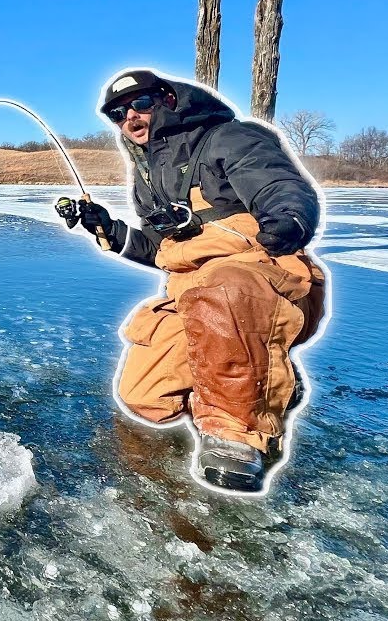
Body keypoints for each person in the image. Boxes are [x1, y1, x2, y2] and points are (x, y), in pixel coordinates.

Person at [61, 68, 327, 493]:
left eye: (140, 104)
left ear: (168, 99)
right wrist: (110, 230)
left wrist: (288, 215)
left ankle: (239, 432)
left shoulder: (229, 137)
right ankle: (263, 379)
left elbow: (276, 182)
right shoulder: (149, 177)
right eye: (117, 113)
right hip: (191, 291)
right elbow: (163, 251)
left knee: (224, 288)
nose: (129, 117)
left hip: (263, 276)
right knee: (144, 397)